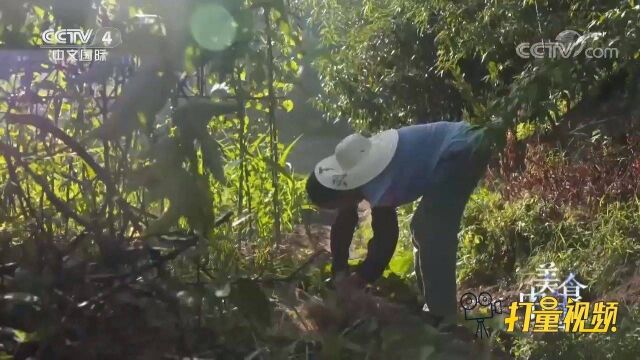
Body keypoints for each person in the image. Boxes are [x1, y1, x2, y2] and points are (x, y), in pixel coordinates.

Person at [305, 120, 499, 326]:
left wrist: (362, 277)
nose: (338, 210)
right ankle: (431, 303)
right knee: (422, 228)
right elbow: (344, 222)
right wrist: (339, 269)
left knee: (433, 232)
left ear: (339, 193)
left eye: (334, 206)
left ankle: (442, 315)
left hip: (460, 151)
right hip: (461, 142)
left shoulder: (376, 181)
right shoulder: (354, 175)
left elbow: (385, 238)